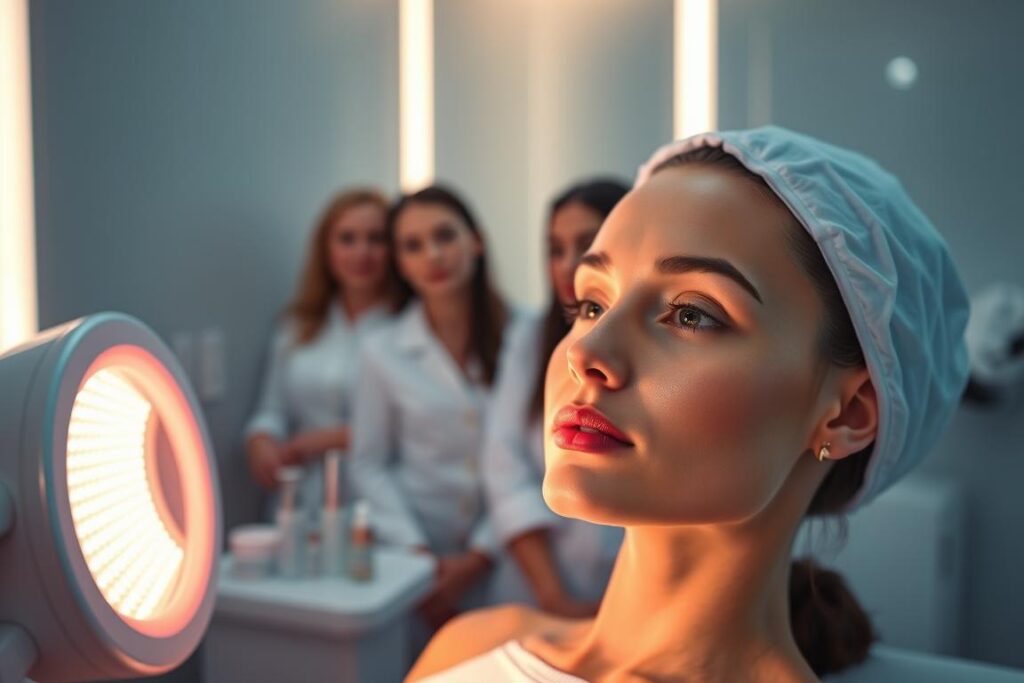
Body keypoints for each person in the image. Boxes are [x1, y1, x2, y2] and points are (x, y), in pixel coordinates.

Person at [407, 126, 970, 681]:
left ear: (847, 415)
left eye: (690, 314)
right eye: (590, 304)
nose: (586, 353)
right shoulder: (467, 648)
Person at [349, 185, 519, 631]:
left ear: (476, 240)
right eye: (413, 246)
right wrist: (417, 556)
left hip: (507, 556)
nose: (433, 255)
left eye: (445, 236)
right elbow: (367, 462)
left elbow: (537, 459)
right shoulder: (381, 350)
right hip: (413, 564)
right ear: (400, 264)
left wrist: (480, 556)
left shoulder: (525, 336)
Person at [482, 179, 629, 617]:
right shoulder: (530, 337)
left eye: (586, 245)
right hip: (533, 590)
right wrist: (553, 597)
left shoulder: (657, 345)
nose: (568, 266)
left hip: (632, 593)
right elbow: (503, 464)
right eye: (554, 249)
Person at [244, 188, 396, 519]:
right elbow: (271, 409)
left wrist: (329, 439)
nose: (362, 253)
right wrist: (260, 441)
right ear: (325, 248)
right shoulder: (298, 326)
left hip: (382, 504)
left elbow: (424, 428)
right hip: (303, 504)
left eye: (376, 239)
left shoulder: (408, 329)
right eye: (347, 239)